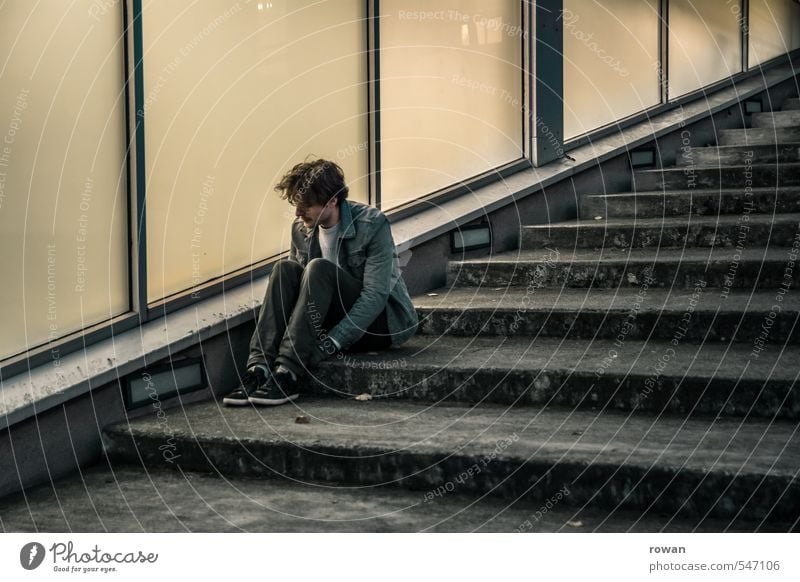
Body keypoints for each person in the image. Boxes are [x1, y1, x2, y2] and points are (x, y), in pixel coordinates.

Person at [223, 159, 418, 406]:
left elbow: (375, 296)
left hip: (379, 324)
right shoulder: (300, 228)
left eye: (306, 205)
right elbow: (297, 294)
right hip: (327, 317)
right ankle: (258, 368)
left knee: (318, 268)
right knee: (284, 269)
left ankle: (287, 373)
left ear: (332, 201)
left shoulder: (372, 224)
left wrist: (330, 343)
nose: (297, 213)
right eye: (296, 204)